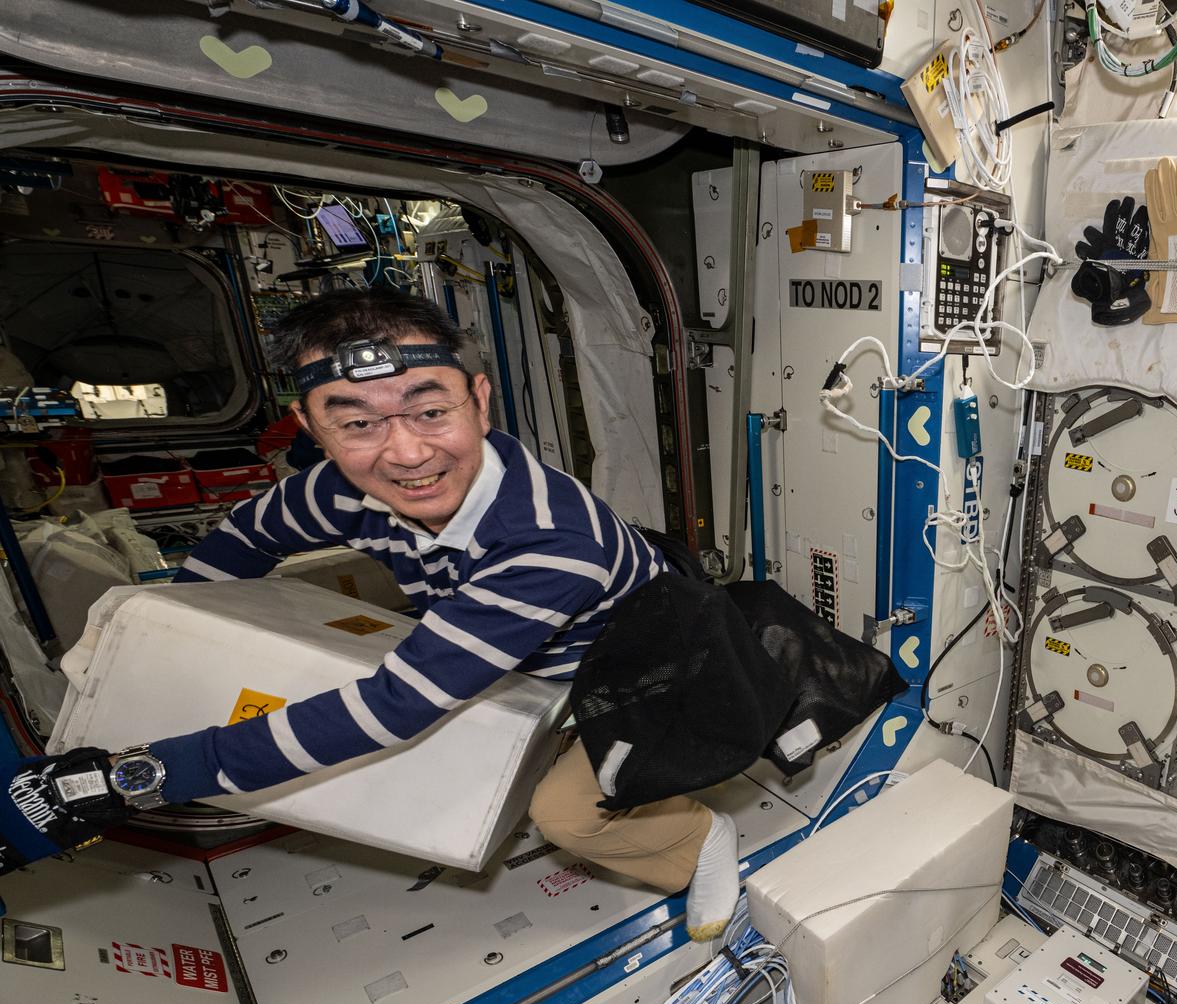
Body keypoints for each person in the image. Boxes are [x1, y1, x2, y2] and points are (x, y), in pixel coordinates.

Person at [0, 290, 744, 939]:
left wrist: (149, 773)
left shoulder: (549, 543)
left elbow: (391, 710)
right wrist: (171, 641)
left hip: (639, 670)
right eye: (355, 422)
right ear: (311, 426)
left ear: (480, 400)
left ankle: (700, 839)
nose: (406, 453)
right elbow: (246, 538)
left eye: (430, 410)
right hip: (518, 654)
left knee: (565, 814)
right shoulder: (336, 489)